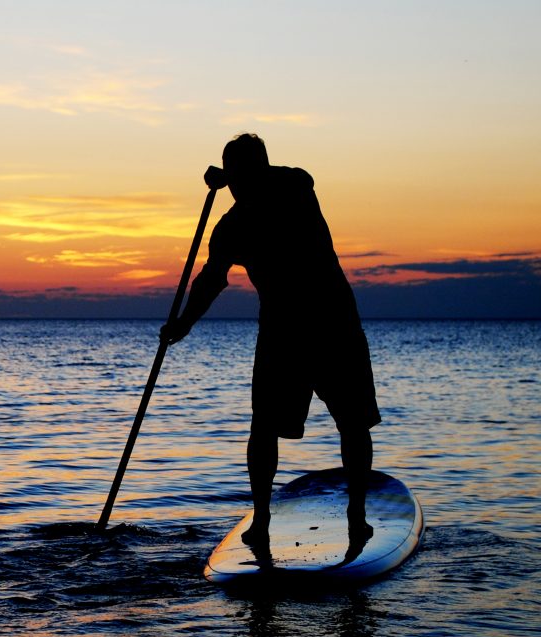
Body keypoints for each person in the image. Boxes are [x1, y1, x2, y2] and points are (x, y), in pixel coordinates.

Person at [161, 133, 380, 548]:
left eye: (242, 174)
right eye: (235, 177)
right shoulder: (232, 227)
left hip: (333, 323)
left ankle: (357, 516)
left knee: (352, 423)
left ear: (257, 169)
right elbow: (210, 280)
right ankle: (261, 520)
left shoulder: (294, 187)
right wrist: (184, 323)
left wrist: (228, 175)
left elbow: (299, 176)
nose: (239, 185)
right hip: (282, 333)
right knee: (264, 427)